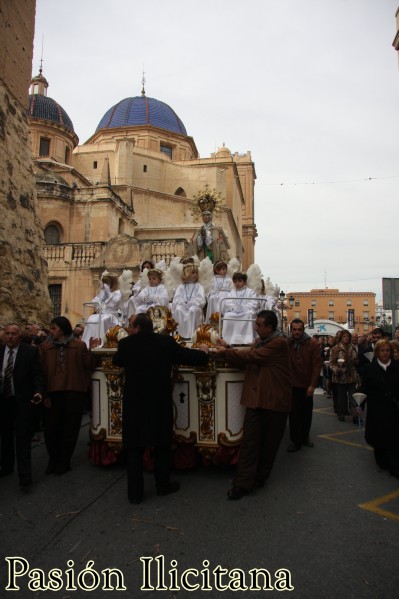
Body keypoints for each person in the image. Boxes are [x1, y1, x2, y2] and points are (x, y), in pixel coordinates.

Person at [113, 313, 209, 504]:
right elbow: (187, 357)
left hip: (134, 404)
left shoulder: (126, 344)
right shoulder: (165, 342)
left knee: (134, 449)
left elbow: (117, 361)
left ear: (138, 327)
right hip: (159, 402)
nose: (129, 329)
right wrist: (204, 352)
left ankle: (135, 494)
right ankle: (162, 486)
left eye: (131, 326)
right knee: (161, 445)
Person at [213, 310, 292, 499]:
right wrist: (229, 347)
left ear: (269, 328)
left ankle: (260, 478)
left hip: (275, 403)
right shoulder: (260, 342)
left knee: (269, 445)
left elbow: (252, 357)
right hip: (256, 400)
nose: (255, 328)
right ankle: (242, 484)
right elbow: (250, 356)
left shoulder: (279, 343)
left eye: (258, 325)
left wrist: (226, 352)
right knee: (249, 444)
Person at [39, 317, 99, 475]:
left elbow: (89, 365)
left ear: (63, 329)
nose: (51, 331)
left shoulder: (79, 345)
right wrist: (44, 394)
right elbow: (41, 372)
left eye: (54, 328)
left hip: (74, 391)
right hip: (53, 392)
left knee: (70, 429)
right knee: (51, 430)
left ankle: (64, 461)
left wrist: (92, 350)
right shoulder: (45, 347)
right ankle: (53, 459)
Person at [0, 323, 45, 487]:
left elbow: (38, 374)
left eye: (13, 334)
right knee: (5, 436)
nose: (10, 336)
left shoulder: (30, 352)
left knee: (23, 437)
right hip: (3, 401)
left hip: (22, 401)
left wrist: (39, 391)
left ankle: (25, 475)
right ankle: (6, 466)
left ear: (20, 336)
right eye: (7, 333)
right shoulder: (0, 351)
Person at [361, 339, 399, 477]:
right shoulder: (370, 369)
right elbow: (364, 388)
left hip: (394, 409)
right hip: (377, 409)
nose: (385, 353)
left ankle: (394, 465)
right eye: (382, 350)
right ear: (377, 352)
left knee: (394, 437)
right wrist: (360, 404)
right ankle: (381, 459)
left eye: (388, 350)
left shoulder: (396, 366)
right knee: (378, 436)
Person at [287, 319, 322, 452]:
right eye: (294, 329)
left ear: (303, 330)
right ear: (291, 330)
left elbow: (316, 365)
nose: (297, 332)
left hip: (307, 385)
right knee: (293, 415)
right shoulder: (287, 343)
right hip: (292, 385)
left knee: (306, 413)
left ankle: (305, 437)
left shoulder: (312, 344)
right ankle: (295, 441)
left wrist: (312, 385)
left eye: (299, 329)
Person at [82, 272, 122, 348]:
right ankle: (87, 343)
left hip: (111, 314)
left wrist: (109, 294)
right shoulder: (102, 292)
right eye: (105, 283)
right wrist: (101, 300)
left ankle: (101, 343)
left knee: (103, 320)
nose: (106, 285)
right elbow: (95, 302)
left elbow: (114, 304)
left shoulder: (118, 293)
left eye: (108, 283)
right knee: (91, 318)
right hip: (101, 313)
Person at [221, 272, 258, 345]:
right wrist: (234, 308)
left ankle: (247, 339)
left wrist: (244, 308)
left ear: (245, 281)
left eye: (240, 281)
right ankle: (229, 339)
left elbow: (254, 303)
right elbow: (228, 303)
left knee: (249, 314)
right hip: (234, 312)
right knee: (227, 315)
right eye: (235, 281)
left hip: (246, 311)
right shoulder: (231, 292)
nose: (237, 283)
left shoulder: (250, 291)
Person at [330, 330, 359, 422]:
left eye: (348, 336)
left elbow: (356, 360)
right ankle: (341, 413)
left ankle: (355, 415)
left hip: (351, 375)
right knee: (341, 397)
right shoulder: (335, 348)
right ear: (341, 338)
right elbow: (331, 363)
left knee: (353, 397)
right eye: (344, 336)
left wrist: (354, 361)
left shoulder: (352, 347)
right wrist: (337, 369)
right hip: (340, 376)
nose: (346, 338)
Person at [171, 263, 206, 340]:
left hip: (194, 306)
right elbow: (177, 298)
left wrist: (193, 303)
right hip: (183, 306)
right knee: (178, 309)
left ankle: (192, 335)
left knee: (193, 310)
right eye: (193, 273)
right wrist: (182, 302)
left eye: (196, 273)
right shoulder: (181, 287)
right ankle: (180, 334)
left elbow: (201, 298)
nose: (195, 275)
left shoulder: (198, 286)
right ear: (186, 273)